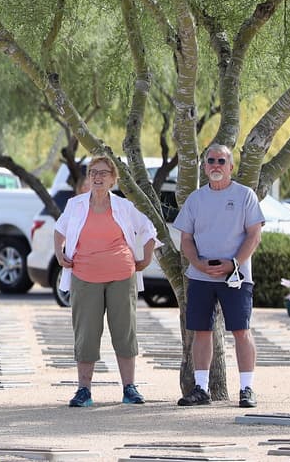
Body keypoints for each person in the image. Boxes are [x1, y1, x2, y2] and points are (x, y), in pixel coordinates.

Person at [53, 155, 158, 407]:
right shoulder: (75, 205)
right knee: (86, 334)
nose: (97, 177)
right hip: (84, 276)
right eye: (93, 173)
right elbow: (59, 230)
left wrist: (145, 259)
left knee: (124, 332)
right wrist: (60, 253)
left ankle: (129, 388)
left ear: (113, 178)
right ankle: (83, 390)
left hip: (121, 276)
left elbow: (149, 229)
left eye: (103, 173)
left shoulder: (124, 206)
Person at [174, 143, 264, 408]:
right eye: (211, 161)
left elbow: (254, 235)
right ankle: (201, 389)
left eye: (221, 161)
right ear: (204, 167)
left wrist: (233, 263)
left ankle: (247, 388)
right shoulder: (195, 199)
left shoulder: (245, 195)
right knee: (201, 331)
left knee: (241, 330)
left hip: (236, 276)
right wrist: (199, 265)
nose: (215, 165)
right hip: (201, 276)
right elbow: (186, 239)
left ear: (231, 166)